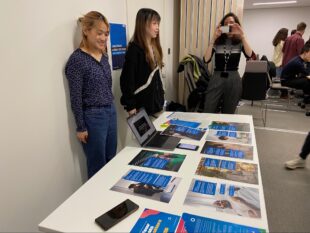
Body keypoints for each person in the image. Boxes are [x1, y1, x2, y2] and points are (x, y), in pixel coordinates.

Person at [65, 11, 117, 179]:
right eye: (99, 33)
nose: (103, 38)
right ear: (86, 31)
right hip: (94, 117)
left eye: (106, 34)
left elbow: (107, 86)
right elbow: (75, 96)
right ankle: (97, 203)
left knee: (111, 159)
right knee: (97, 165)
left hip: (110, 111)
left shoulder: (104, 56)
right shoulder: (77, 60)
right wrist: (80, 126)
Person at [203, 12, 254, 114]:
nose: (229, 25)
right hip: (217, 77)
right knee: (209, 108)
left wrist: (242, 36)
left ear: (237, 25)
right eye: (226, 23)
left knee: (229, 113)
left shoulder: (239, 42)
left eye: (231, 22)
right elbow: (206, 60)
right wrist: (213, 38)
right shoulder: (217, 42)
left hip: (234, 78)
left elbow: (250, 55)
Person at [120, 8, 164, 117]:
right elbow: (127, 79)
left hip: (156, 104)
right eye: (154, 23)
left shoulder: (155, 47)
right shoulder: (134, 49)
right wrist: (130, 105)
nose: (157, 27)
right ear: (143, 24)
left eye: (158, 23)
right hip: (142, 107)